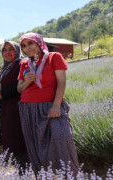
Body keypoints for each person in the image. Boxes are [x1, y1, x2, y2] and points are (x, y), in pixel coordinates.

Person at [17, 32, 79, 175]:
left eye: (30, 43)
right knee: (36, 144)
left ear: (39, 42)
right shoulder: (24, 63)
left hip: (51, 105)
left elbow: (61, 82)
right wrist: (27, 81)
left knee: (62, 136)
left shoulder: (53, 57)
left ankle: (69, 175)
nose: (28, 48)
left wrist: (56, 105)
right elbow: (19, 89)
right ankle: (44, 176)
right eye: (24, 46)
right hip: (28, 107)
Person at [0, 41, 27, 170]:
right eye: (4, 50)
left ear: (17, 50)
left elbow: (20, 86)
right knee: (8, 139)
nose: (7, 52)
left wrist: (1, 94)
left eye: (11, 49)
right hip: (4, 109)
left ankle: (24, 173)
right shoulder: (5, 66)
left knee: (17, 141)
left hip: (15, 109)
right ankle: (20, 172)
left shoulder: (21, 64)